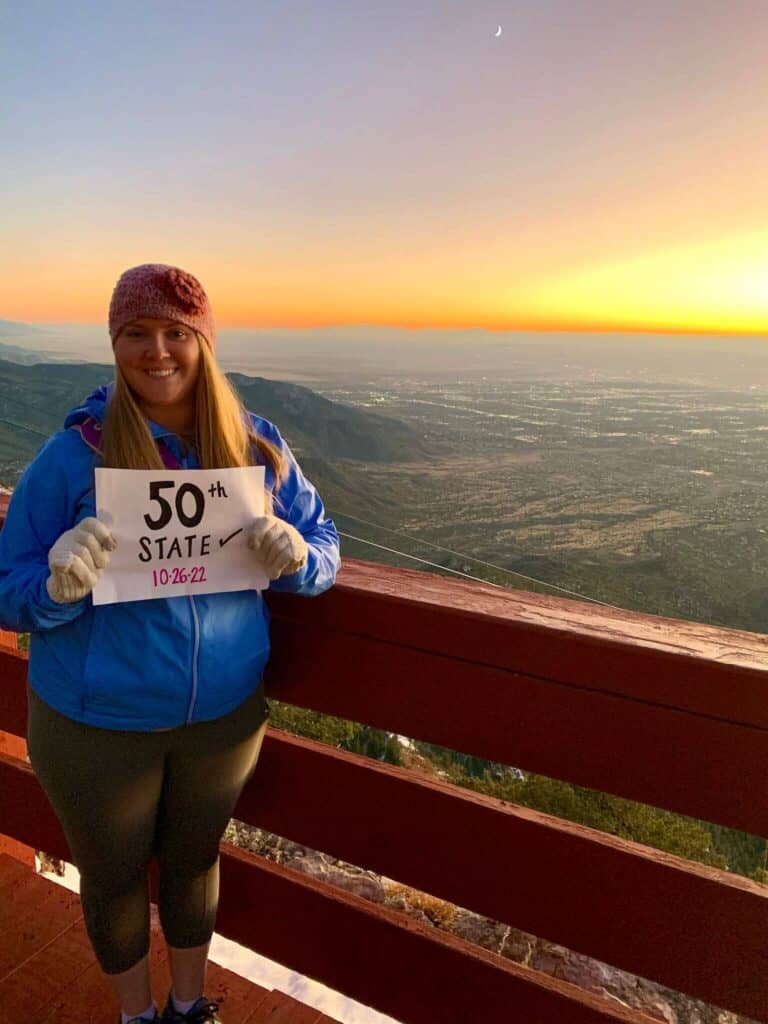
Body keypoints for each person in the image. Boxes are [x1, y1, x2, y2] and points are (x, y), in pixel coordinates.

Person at [0, 264, 341, 1024]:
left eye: (176, 333)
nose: (157, 351)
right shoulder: (74, 456)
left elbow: (323, 544)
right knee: (114, 878)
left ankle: (189, 1008)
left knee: (194, 866)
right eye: (136, 334)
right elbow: (7, 584)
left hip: (221, 718)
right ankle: (136, 1016)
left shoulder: (256, 448)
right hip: (97, 721)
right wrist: (55, 590)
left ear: (203, 342)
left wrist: (299, 559)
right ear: (115, 345)